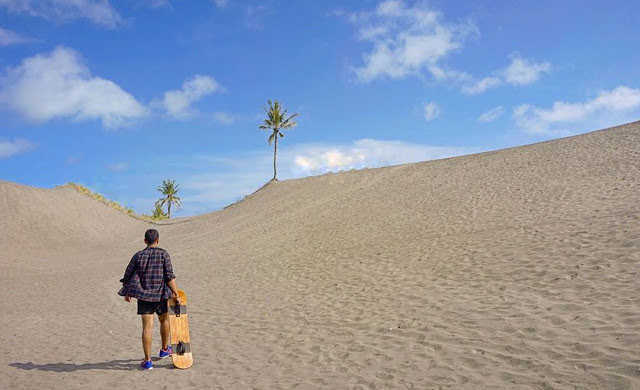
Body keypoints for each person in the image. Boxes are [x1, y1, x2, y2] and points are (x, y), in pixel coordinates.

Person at [118, 228, 179, 370]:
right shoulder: (163, 254)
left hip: (144, 296)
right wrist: (175, 293)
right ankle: (164, 349)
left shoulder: (138, 256)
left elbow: (127, 275)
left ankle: (147, 361)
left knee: (147, 328)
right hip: (161, 295)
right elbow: (169, 276)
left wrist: (127, 292)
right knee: (164, 321)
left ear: (145, 241)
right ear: (157, 240)